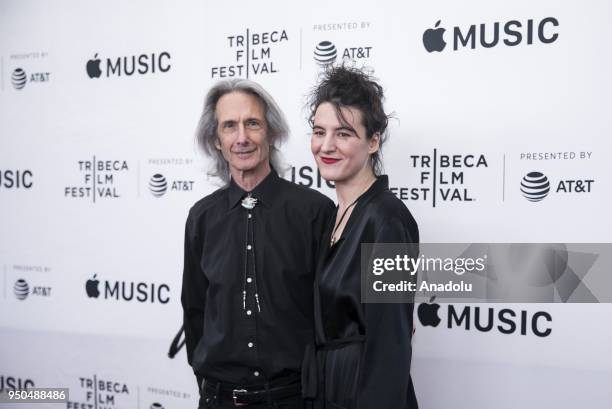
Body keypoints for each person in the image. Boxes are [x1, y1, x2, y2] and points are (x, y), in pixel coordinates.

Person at [182, 78, 335, 408]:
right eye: (229, 126)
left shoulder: (315, 212)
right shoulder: (201, 218)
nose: (241, 138)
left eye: (252, 123)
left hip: (293, 400)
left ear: (272, 133)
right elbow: (194, 312)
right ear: (216, 141)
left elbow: (333, 318)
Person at [302, 66, 419, 409]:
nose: (326, 146)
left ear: (373, 141)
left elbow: (391, 347)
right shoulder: (330, 216)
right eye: (318, 131)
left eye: (343, 134)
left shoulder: (388, 221)